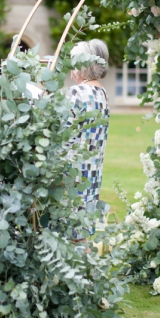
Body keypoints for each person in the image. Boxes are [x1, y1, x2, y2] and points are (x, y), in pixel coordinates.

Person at [66, 39, 110, 211]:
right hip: (92, 173)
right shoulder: (102, 93)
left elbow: (62, 135)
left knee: (66, 232)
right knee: (81, 231)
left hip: (72, 175)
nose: (71, 73)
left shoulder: (77, 92)